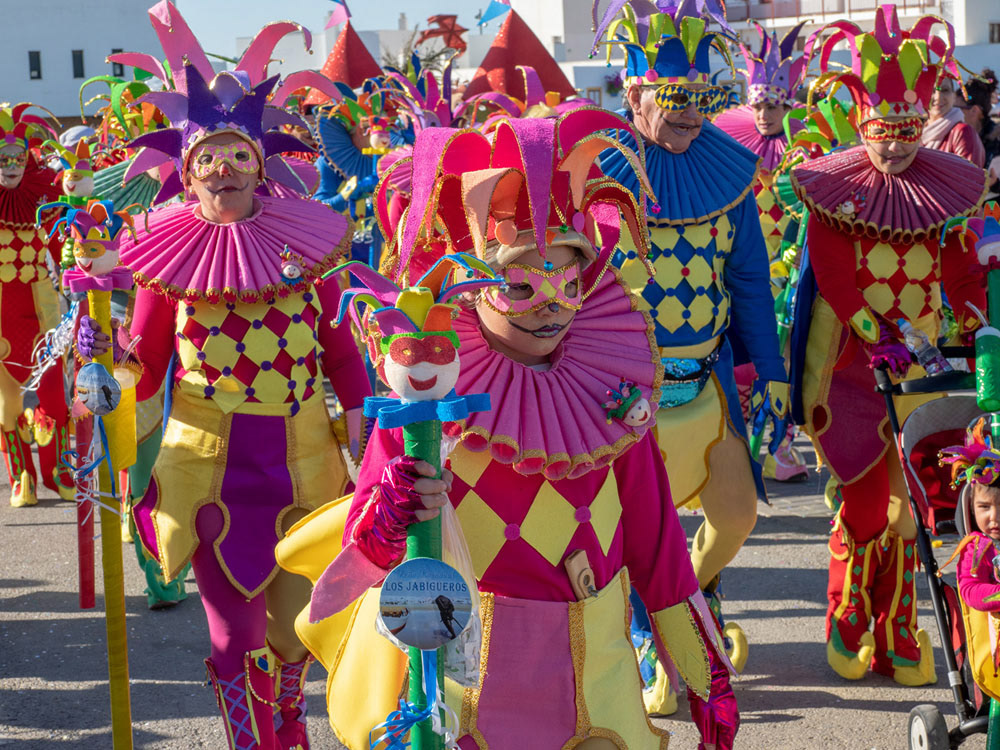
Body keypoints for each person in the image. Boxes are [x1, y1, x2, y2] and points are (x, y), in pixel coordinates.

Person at [288, 111, 738, 750]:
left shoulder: (613, 391)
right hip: (467, 685)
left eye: (567, 280)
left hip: (596, 681)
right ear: (472, 287)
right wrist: (392, 509)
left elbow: (658, 544)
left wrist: (704, 674)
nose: (550, 304)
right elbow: (368, 549)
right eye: (522, 283)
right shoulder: (427, 396)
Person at [83, 5, 371, 749]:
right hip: (208, 473)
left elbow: (343, 356)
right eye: (207, 158)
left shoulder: (309, 251)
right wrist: (106, 374)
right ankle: (254, 741)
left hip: (305, 466)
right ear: (186, 172)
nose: (224, 171)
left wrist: (374, 440)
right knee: (234, 637)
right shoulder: (164, 264)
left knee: (296, 633)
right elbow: (145, 365)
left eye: (239, 155)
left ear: (262, 165)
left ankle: (289, 726)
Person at [593, 0, 787, 698]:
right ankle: (653, 628)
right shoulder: (598, 174)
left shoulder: (730, 176)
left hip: (709, 387)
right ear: (635, 97)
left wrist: (773, 372)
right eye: (676, 99)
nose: (692, 114)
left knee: (735, 516)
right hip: (626, 395)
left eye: (703, 99)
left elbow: (751, 283)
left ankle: (682, 605)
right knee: (640, 532)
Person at [792, 7, 987, 686]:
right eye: (883, 133)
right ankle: (848, 612)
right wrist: (875, 337)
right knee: (867, 503)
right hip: (854, 371)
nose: (897, 146)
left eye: (907, 132)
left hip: (926, 373)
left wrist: (972, 318)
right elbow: (835, 277)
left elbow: (960, 271)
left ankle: (898, 622)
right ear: (861, 125)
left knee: (915, 511)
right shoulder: (833, 194)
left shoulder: (944, 192)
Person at [714, 22, 812, 483]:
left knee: (784, 360)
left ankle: (779, 443)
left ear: (788, 106)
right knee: (745, 357)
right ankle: (745, 443)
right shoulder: (732, 152)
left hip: (790, 275)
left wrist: (796, 254)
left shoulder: (805, 153)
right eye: (757, 105)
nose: (764, 114)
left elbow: (811, 217)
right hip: (745, 275)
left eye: (772, 106)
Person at [0, 104, 74, 506]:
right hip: (1, 316)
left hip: (42, 311)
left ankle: (57, 471)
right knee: (6, 403)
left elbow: (65, 247)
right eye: (3, 159)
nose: (10, 166)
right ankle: (20, 477)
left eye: (17, 158)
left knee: (55, 399)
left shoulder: (45, 197)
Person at [922, 75, 985, 165]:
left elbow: (968, 172)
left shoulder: (963, 132)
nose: (938, 97)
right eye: (932, 90)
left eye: (945, 90)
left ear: (954, 95)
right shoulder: (916, 130)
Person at [963, 70, 1000, 195]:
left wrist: (994, 184)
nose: (952, 112)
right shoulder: (953, 133)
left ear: (975, 111)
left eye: (957, 108)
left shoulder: (995, 139)